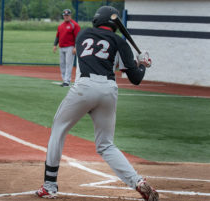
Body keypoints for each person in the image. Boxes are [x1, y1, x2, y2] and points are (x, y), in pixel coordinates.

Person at [36, 6, 159, 201]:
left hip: (84, 88)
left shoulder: (83, 34)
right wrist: (142, 64)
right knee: (106, 145)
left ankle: (49, 185)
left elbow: (97, 56)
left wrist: (136, 62)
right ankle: (137, 182)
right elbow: (134, 77)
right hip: (108, 91)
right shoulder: (120, 42)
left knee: (59, 129)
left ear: (97, 20)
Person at [53, 9, 80, 87]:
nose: (66, 16)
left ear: (70, 16)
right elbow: (58, 36)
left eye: (67, 15)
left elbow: (78, 37)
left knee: (68, 64)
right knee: (62, 64)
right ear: (63, 16)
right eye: (65, 15)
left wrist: (76, 47)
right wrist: (55, 45)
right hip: (61, 47)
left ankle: (67, 81)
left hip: (70, 47)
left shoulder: (74, 25)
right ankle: (64, 79)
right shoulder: (61, 25)